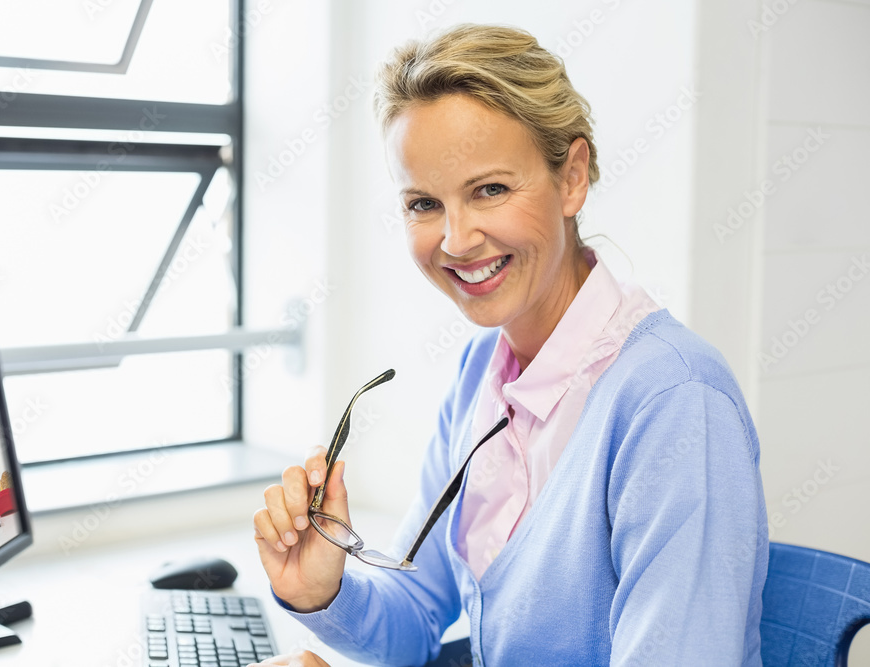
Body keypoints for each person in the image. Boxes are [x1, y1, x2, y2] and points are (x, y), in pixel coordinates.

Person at [252, 24, 768, 666]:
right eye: (423, 203)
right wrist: (322, 590)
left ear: (572, 177)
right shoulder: (483, 370)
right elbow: (417, 616)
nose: (457, 240)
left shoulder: (677, 404)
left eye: (489, 189)